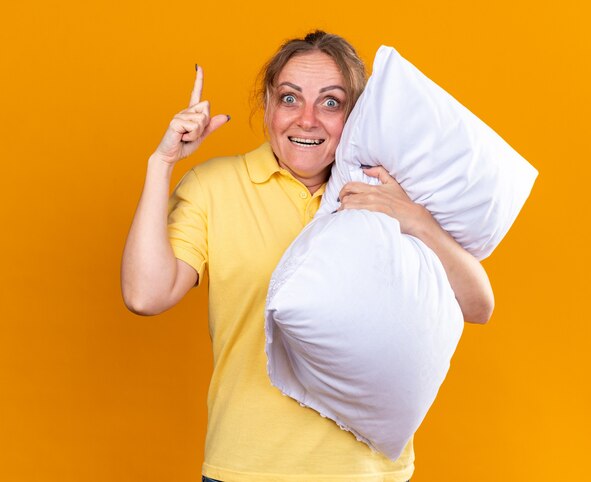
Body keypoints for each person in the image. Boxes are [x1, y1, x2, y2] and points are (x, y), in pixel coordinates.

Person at [121, 30, 494, 482]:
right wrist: (161, 164)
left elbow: (479, 306)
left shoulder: (386, 191)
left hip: (366, 474)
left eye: (331, 102)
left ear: (356, 115)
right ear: (269, 106)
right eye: (290, 98)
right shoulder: (215, 187)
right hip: (245, 468)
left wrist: (414, 219)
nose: (308, 120)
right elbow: (145, 295)